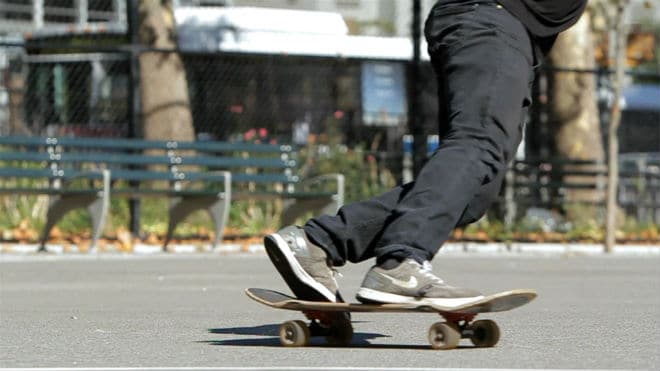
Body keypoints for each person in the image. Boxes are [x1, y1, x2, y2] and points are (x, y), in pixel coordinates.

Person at [264, 0, 588, 306]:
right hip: (492, 22)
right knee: (478, 143)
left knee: (473, 194)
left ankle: (321, 243)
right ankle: (401, 262)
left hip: (497, 31)